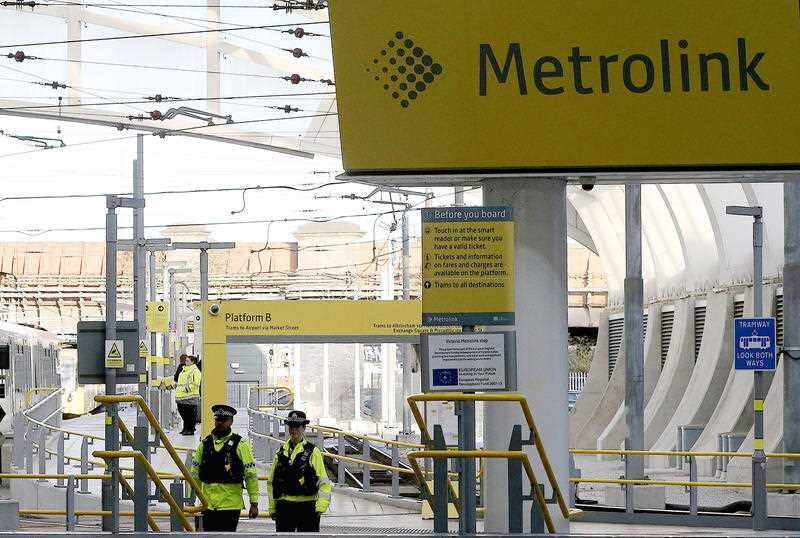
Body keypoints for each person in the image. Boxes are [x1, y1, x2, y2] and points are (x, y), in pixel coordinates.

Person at [191, 404, 259, 532]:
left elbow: (250, 475)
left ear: (231, 421)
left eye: (224, 420)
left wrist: (254, 502)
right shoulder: (205, 444)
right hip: (207, 506)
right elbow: (194, 474)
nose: (220, 422)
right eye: (217, 419)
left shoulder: (241, 444)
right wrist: (191, 499)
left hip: (230, 507)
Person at [268, 410, 332, 532]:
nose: (294, 430)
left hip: (307, 507)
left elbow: (323, 481)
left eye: (297, 427)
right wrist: (272, 507)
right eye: (291, 427)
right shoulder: (280, 453)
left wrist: (320, 506)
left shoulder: (313, 452)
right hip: (284, 506)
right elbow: (272, 482)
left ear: (304, 428)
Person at [174, 354, 201, 435]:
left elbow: (196, 383)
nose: (185, 362)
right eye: (185, 360)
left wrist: (186, 389)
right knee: (184, 414)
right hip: (181, 397)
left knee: (190, 415)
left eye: (187, 360)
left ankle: (190, 429)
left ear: (192, 362)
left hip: (190, 396)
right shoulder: (183, 369)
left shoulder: (195, 370)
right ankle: (186, 428)